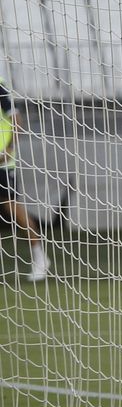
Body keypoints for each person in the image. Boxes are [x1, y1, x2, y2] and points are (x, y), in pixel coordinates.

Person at [1, 80, 49, 283]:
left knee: (11, 207)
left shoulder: (0, 88)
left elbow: (16, 119)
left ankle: (40, 258)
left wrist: (9, 149)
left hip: (2, 162)